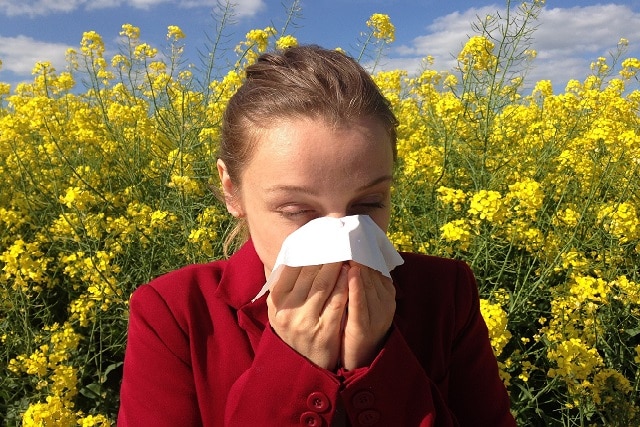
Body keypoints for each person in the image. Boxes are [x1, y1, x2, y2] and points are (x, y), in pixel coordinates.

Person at [118, 45, 516, 426]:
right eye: (296, 210)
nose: (342, 240)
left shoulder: (445, 293)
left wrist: (377, 360)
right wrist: (293, 364)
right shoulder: (176, 314)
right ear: (232, 191)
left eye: (369, 204)